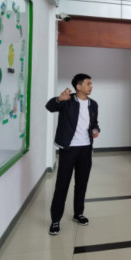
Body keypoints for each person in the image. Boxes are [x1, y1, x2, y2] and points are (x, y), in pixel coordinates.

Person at [46, 73, 100, 235]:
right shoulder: (67, 100)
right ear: (78, 86)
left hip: (86, 148)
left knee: (82, 183)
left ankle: (78, 213)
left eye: (91, 84)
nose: (91, 86)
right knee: (62, 184)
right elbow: (50, 107)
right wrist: (59, 99)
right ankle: (55, 220)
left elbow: (95, 123)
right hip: (69, 149)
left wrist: (95, 129)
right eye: (88, 84)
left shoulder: (93, 104)